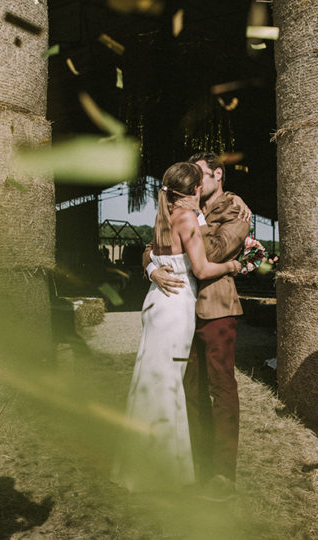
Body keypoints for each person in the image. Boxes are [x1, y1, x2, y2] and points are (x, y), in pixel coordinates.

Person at [111, 162, 241, 493]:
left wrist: (155, 265)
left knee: (157, 381)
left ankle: (152, 462)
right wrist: (234, 265)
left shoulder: (174, 212)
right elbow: (200, 264)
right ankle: (168, 468)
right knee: (170, 385)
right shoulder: (186, 215)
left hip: (171, 306)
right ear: (195, 187)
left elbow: (157, 249)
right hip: (177, 306)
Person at [144, 152, 251, 500]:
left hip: (216, 310)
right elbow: (150, 248)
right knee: (187, 390)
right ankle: (192, 464)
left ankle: (222, 474)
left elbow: (217, 250)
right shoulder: (182, 213)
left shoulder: (233, 208)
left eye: (201, 174)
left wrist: (194, 220)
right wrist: (153, 269)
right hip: (182, 313)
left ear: (217, 175)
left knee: (220, 390)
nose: (196, 181)